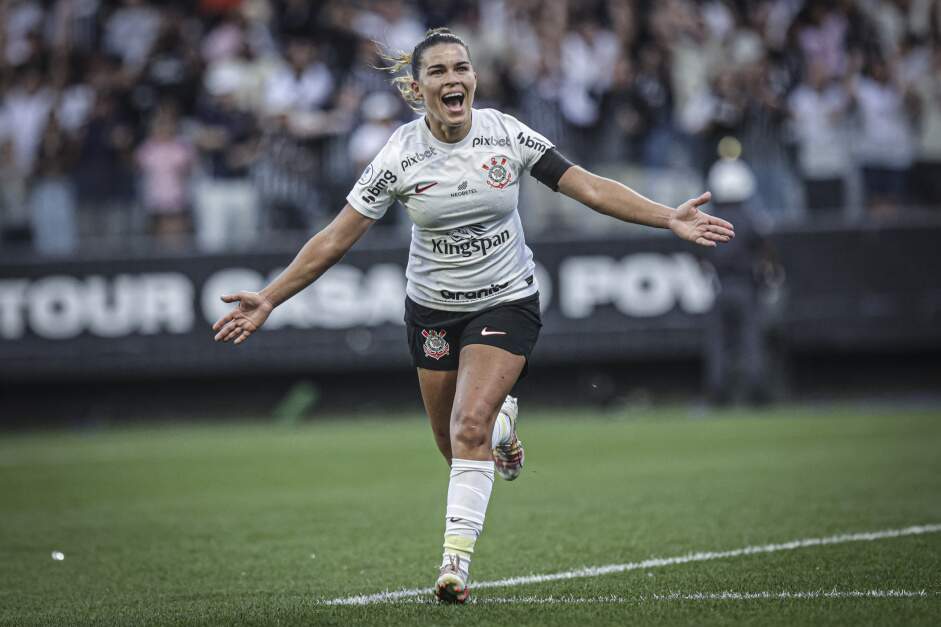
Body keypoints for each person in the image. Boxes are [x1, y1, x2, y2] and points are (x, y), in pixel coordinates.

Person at [212, 28, 734, 604]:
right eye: (438, 71)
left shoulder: (505, 134)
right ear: (417, 88)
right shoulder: (400, 155)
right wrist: (270, 297)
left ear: (475, 78)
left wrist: (667, 218)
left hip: (506, 300)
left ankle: (454, 567)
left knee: (467, 426)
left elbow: (584, 184)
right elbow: (335, 238)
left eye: (461, 67)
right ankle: (504, 429)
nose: (453, 79)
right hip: (431, 313)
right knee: (454, 442)